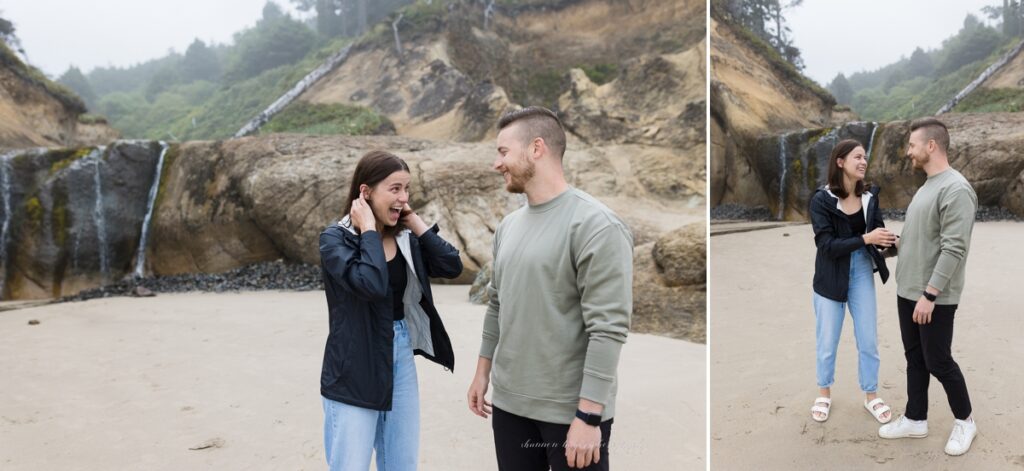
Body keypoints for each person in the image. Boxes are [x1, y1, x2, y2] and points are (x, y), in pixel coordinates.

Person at [465, 106, 633, 471]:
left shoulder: (597, 226)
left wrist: (588, 416)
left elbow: (608, 327)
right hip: (509, 406)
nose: (497, 163)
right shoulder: (508, 226)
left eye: (503, 151)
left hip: (571, 411)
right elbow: (497, 304)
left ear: (536, 148)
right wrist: (482, 372)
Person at [318, 150, 463, 470]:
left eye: (407, 189)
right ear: (366, 192)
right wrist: (369, 230)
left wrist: (414, 221)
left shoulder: (406, 237)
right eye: (395, 189)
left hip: (400, 353)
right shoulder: (335, 239)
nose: (403, 197)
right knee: (351, 464)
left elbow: (451, 266)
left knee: (401, 462)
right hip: (354, 364)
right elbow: (371, 285)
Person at [878, 118, 978, 456]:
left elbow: (954, 248)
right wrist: (891, 247)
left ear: (931, 146)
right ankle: (915, 418)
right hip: (908, 291)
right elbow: (923, 238)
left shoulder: (957, 189)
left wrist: (930, 295)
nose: (908, 152)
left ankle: (965, 421)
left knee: (938, 361)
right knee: (915, 359)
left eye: (912, 145)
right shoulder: (927, 186)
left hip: (932, 296)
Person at [808, 139, 896, 425]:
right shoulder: (821, 200)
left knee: (868, 338)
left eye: (865, 157)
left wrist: (889, 242)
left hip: (861, 271)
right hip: (830, 275)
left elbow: (877, 234)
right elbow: (826, 246)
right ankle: (824, 393)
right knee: (827, 341)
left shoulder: (870, 196)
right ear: (840, 161)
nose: (863, 162)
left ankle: (871, 395)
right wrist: (866, 238)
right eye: (857, 157)